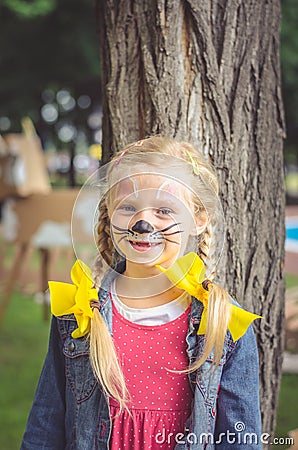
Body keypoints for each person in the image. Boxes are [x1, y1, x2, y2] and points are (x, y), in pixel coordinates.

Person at [21, 136, 262, 450]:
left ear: (198, 220)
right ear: (108, 210)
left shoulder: (224, 321)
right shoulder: (78, 312)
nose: (143, 223)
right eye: (129, 206)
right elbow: (46, 421)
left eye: (164, 210)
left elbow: (241, 440)